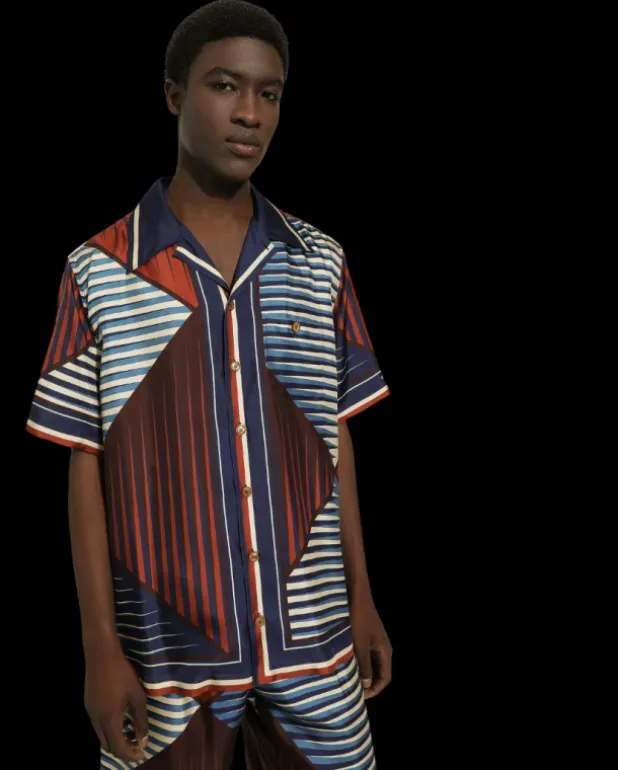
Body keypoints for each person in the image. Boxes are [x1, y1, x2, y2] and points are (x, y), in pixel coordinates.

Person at [26, 1, 392, 767]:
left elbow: (336, 438)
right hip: (166, 659)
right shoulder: (100, 270)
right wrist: (100, 648)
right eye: (225, 86)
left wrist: (363, 596)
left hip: (316, 644)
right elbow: (85, 461)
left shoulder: (319, 261)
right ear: (173, 93)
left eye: (270, 93)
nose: (250, 114)